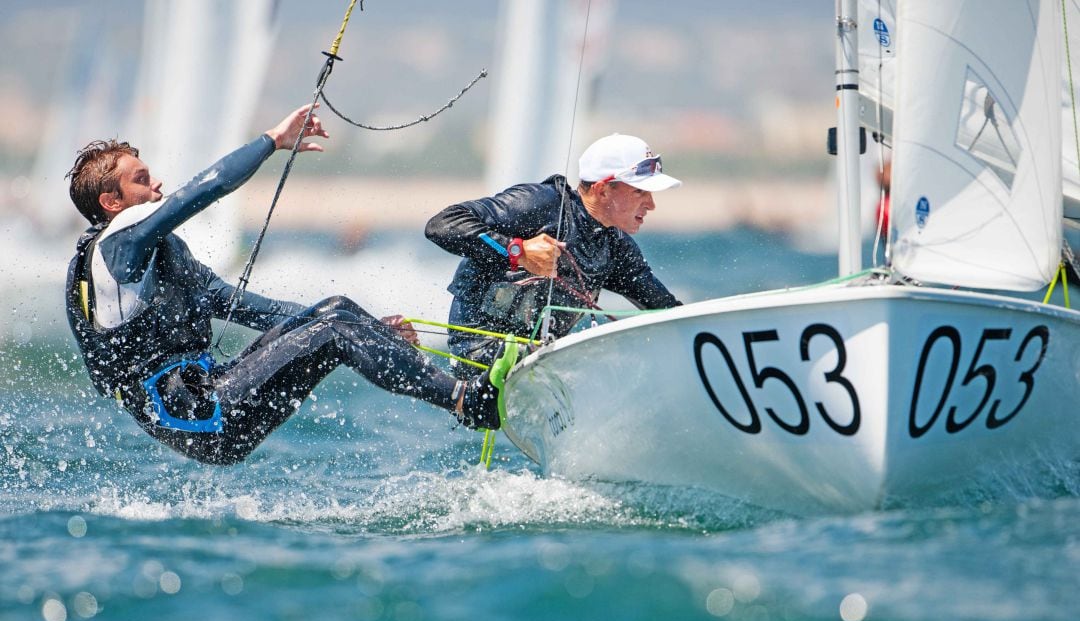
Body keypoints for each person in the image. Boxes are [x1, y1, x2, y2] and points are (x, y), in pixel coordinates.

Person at [64, 104, 505, 466]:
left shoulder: (161, 254)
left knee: (336, 310)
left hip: (207, 395)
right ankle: (467, 400)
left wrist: (373, 331)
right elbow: (204, 190)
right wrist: (272, 141)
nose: (156, 182)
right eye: (141, 180)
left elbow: (251, 307)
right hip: (195, 415)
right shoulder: (118, 244)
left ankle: (461, 393)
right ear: (112, 203)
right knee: (335, 331)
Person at [425, 133, 684, 373]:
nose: (650, 204)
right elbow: (442, 224)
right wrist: (518, 250)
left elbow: (666, 312)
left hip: (539, 367)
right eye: (640, 191)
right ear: (602, 189)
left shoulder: (615, 248)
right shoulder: (540, 204)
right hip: (478, 357)